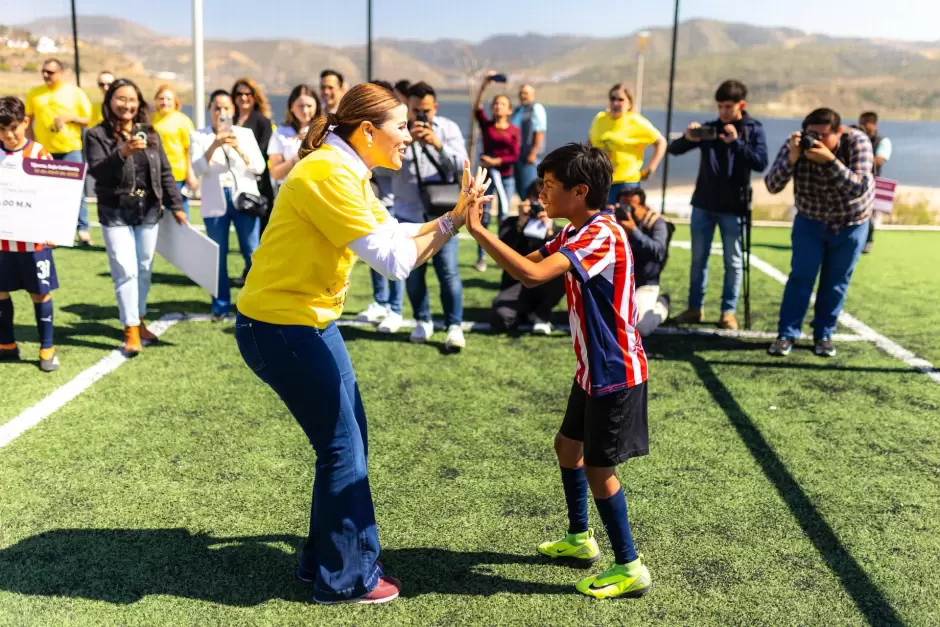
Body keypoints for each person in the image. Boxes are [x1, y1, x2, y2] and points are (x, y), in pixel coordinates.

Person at [234, 82, 492, 604]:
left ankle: (324, 562)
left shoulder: (347, 170)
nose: (406, 136)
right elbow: (395, 263)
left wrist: (451, 216)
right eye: (399, 126)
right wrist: (455, 223)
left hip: (306, 322)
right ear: (368, 130)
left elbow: (395, 234)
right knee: (341, 447)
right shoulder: (329, 173)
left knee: (348, 443)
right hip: (280, 327)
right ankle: (346, 579)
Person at [465, 142, 652, 600]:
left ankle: (629, 567)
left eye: (550, 187)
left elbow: (532, 277)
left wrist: (475, 230)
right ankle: (579, 539)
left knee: (599, 470)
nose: (542, 194)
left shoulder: (599, 235)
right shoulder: (578, 229)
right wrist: (476, 227)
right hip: (593, 369)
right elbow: (528, 263)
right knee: (568, 447)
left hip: (615, 372)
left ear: (580, 190)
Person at [84, 79, 187, 355]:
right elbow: (97, 172)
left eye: (132, 100)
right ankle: (130, 327)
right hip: (114, 210)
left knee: (143, 267)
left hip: (148, 209)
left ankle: (139, 319)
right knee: (125, 269)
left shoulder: (151, 133)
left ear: (140, 104)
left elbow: (165, 171)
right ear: (109, 103)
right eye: (120, 99)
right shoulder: (96, 135)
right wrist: (122, 153)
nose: (127, 105)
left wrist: (177, 206)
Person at [765, 108, 874, 358]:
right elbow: (772, 185)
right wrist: (792, 158)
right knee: (800, 278)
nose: (815, 141)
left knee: (836, 282)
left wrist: (830, 161)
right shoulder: (795, 145)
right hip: (810, 221)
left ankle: (824, 334)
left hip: (851, 222)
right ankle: (787, 333)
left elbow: (859, 187)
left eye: (823, 136)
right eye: (811, 134)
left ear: (839, 132)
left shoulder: (857, 142)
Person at [667, 79, 768, 330]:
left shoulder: (753, 129)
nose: (722, 112)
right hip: (703, 204)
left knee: (733, 261)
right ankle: (694, 308)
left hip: (734, 208)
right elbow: (674, 150)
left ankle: (728, 312)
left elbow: (760, 163)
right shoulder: (710, 128)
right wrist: (687, 137)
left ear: (741, 105)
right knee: (698, 259)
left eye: (728, 107)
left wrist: (736, 142)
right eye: (719, 106)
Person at [390, 81, 470, 350]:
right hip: (407, 214)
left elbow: (463, 166)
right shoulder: (398, 132)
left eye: (425, 110)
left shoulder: (448, 129)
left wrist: (437, 145)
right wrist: (402, 140)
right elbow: (382, 169)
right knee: (413, 273)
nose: (421, 116)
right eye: (415, 111)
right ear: (408, 109)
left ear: (434, 107)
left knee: (448, 272)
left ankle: (454, 326)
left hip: (442, 214)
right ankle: (422, 320)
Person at [190, 89, 266, 321]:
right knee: (217, 256)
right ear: (210, 111)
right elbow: (197, 168)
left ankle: (255, 304)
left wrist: (237, 148)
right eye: (217, 108)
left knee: (252, 252)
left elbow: (259, 167)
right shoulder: (199, 136)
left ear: (233, 111)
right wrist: (214, 145)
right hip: (214, 201)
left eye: (225, 108)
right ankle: (220, 306)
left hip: (243, 199)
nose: (221, 113)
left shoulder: (245, 134)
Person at [0, 96, 60, 372]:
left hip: (34, 242)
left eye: (13, 127)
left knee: (39, 293)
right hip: (2, 241)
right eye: (1, 129)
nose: (8, 135)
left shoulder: (39, 153)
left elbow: (56, 195)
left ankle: (47, 347)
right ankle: (7, 344)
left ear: (25, 122)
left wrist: (53, 229)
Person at [355, 80, 405, 333]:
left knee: (393, 254)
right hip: (371, 197)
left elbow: (401, 166)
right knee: (375, 255)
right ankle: (381, 302)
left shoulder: (393, 129)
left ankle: (395, 308)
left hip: (392, 201)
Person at [25, 59, 93, 246]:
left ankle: (83, 230)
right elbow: (28, 120)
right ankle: (49, 231)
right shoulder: (34, 94)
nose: (46, 75)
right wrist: (31, 145)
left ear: (61, 73)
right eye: (44, 72)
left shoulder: (75, 93)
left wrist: (69, 118)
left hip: (70, 149)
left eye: (50, 72)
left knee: (76, 191)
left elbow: (88, 118)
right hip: (44, 151)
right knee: (45, 192)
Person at [489, 179, 564, 335]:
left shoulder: (559, 231)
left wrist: (549, 232)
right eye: (535, 198)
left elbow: (560, 258)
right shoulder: (511, 224)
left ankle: (542, 313)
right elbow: (501, 256)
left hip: (545, 284)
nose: (538, 203)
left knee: (566, 267)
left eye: (544, 199)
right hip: (517, 284)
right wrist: (520, 225)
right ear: (526, 200)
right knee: (501, 317)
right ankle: (527, 313)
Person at [472, 71, 521, 272]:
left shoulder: (514, 131)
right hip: (487, 178)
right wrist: (484, 86)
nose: (497, 106)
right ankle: (481, 257)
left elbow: (515, 156)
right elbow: (476, 108)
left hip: (506, 179)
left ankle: (502, 257)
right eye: (495, 103)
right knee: (483, 217)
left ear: (509, 110)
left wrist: (496, 161)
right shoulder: (487, 126)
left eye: (501, 104)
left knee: (503, 217)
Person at [589, 83, 666, 206]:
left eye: (620, 100)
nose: (615, 103)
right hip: (601, 182)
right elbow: (591, 142)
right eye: (612, 99)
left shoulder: (636, 122)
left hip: (625, 185)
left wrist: (651, 168)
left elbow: (660, 142)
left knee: (622, 223)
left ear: (629, 103)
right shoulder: (600, 119)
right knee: (598, 223)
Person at [612, 187, 672, 336]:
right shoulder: (614, 221)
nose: (627, 212)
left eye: (631, 207)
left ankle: (662, 305)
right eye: (623, 207)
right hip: (618, 284)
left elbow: (659, 252)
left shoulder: (655, 222)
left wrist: (634, 231)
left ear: (643, 207)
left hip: (645, 284)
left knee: (642, 327)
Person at [231, 78, 275, 234]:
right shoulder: (230, 120)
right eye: (239, 94)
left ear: (254, 96)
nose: (243, 97)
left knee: (259, 234)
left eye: (247, 94)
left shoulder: (262, 122)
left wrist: (240, 150)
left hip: (258, 184)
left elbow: (264, 152)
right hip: (234, 183)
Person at [152, 84, 198, 219]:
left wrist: (190, 173)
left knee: (179, 214)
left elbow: (189, 149)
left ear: (175, 102)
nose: (164, 102)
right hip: (155, 175)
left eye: (168, 99)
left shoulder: (183, 121)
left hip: (176, 175)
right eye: (161, 98)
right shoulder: (151, 119)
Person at [268, 84, 321, 187]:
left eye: (309, 106)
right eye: (301, 106)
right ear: (291, 107)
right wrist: (295, 160)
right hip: (290, 189)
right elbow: (275, 173)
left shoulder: (323, 131)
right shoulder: (280, 132)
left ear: (316, 107)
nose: (305, 111)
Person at [857, 111, 891, 254]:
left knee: (869, 215)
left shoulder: (883, 141)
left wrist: (859, 158)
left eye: (865, 123)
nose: (862, 126)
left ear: (874, 124)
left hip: (872, 183)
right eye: (861, 122)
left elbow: (880, 159)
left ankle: (867, 241)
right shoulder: (855, 138)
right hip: (854, 181)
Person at [511, 83, 547, 198]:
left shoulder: (536, 108)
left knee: (530, 189)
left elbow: (539, 131)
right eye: (521, 93)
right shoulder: (517, 111)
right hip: (516, 156)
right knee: (520, 189)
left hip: (529, 157)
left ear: (533, 95)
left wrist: (533, 153)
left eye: (526, 93)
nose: (523, 96)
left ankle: (533, 215)